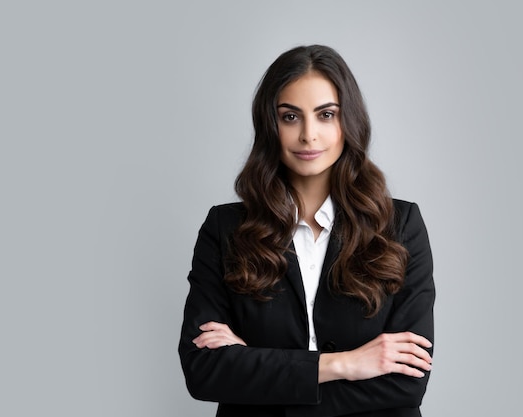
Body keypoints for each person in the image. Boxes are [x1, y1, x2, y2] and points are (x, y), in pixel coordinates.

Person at [179, 44, 435, 417]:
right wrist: (343, 364)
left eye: (326, 114)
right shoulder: (226, 229)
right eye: (290, 117)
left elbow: (406, 384)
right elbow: (204, 371)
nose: (308, 135)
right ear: (270, 124)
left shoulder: (399, 226)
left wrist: (254, 367)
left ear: (349, 121)